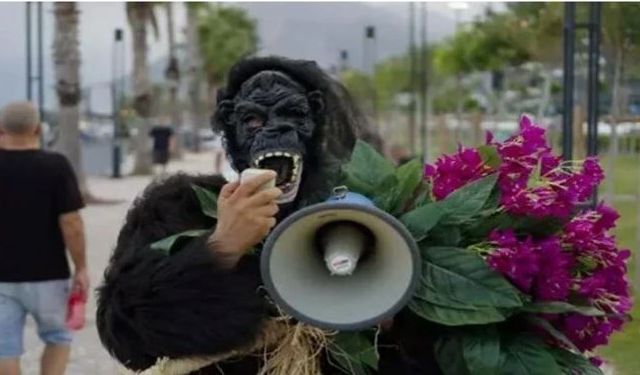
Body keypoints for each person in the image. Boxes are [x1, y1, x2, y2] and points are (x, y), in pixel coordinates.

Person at [97, 57, 441, 374]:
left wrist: (391, 316)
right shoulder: (177, 208)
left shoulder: (372, 217)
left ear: (316, 122)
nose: (276, 131)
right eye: (252, 119)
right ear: (230, 130)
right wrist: (219, 248)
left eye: (292, 116)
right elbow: (125, 336)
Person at [0, 101, 89, 375]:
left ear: (1, 129)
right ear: (37, 129)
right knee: (57, 338)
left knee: (4, 347)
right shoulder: (56, 166)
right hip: (49, 275)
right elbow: (71, 223)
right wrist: (81, 267)